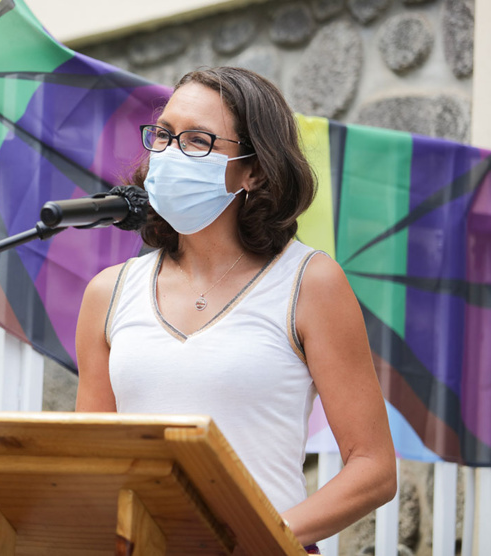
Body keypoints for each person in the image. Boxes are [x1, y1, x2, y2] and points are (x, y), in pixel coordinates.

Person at [75, 67, 396, 548]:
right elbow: (85, 463)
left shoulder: (311, 283)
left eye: (198, 141)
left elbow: (373, 468)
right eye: (163, 135)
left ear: (255, 170)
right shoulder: (108, 292)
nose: (169, 153)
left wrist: (252, 538)